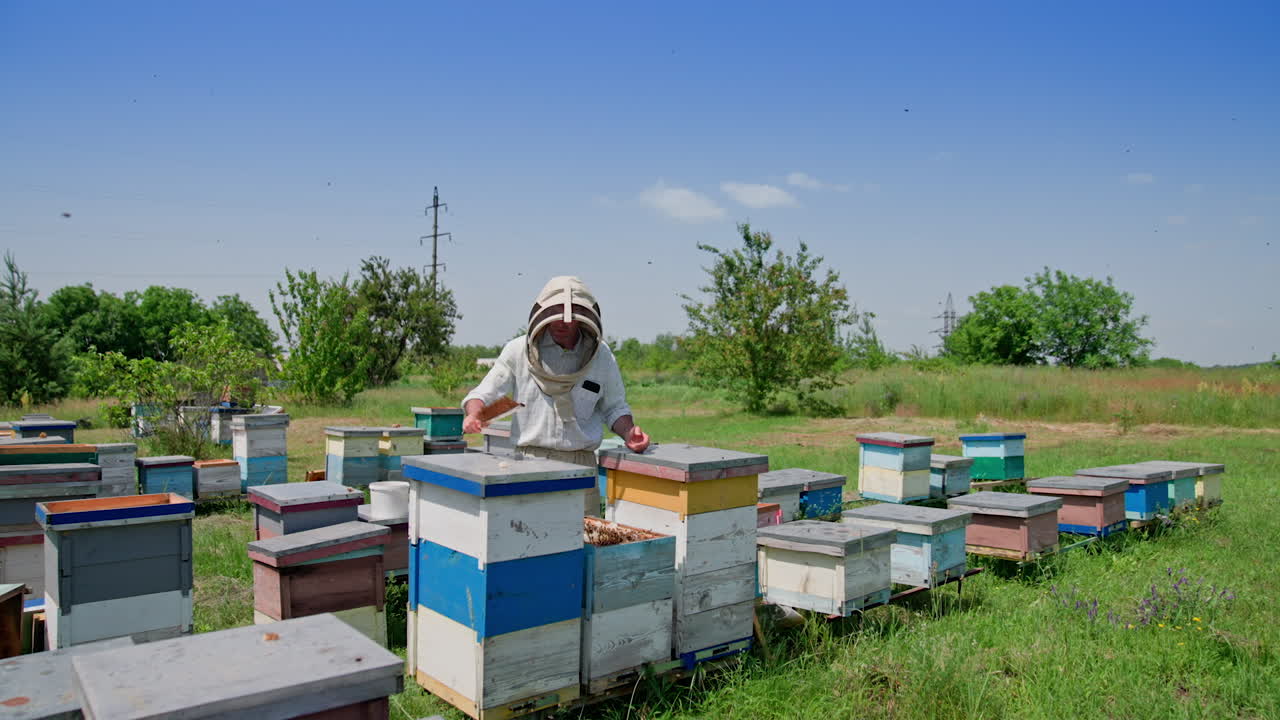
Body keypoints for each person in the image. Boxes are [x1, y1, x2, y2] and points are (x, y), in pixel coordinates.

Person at [461, 276, 650, 516]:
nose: (563, 321)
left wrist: (629, 432)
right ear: (542, 311)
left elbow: (614, 407)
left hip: (581, 465)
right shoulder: (518, 350)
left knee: (582, 542)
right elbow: (484, 393)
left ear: (584, 314)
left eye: (571, 314)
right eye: (555, 312)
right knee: (529, 542)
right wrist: (475, 414)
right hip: (529, 463)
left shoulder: (601, 355)